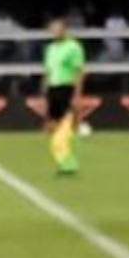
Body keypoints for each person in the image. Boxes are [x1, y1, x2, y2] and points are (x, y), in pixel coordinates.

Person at [42, 15, 87, 174]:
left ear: (64, 29)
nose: (53, 31)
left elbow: (79, 71)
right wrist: (45, 89)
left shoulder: (74, 47)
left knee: (65, 127)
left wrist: (77, 94)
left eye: (56, 28)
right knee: (52, 128)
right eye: (51, 29)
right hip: (53, 89)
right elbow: (48, 71)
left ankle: (69, 163)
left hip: (66, 88)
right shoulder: (50, 48)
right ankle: (64, 162)